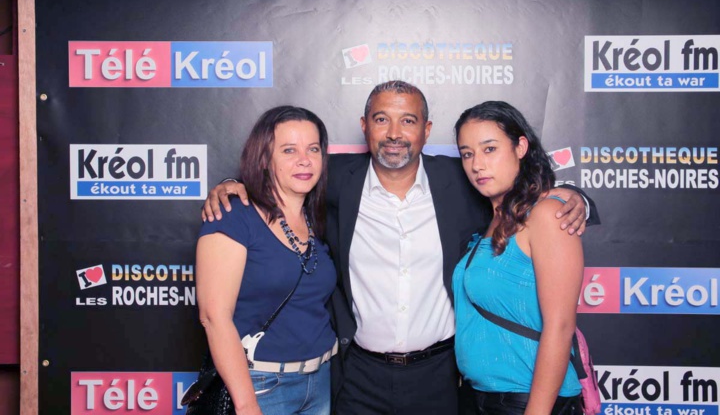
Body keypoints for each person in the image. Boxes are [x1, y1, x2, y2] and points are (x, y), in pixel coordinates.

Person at [202, 81, 599, 414]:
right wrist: (230, 186)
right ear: (364, 127)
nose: (394, 133)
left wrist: (574, 195)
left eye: (407, 120)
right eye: (381, 119)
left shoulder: (462, 181)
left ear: (426, 130)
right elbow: (280, 175)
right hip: (358, 375)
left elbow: (523, 191)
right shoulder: (332, 179)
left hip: (440, 376)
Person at [195, 106, 338, 415]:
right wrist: (247, 404)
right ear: (263, 159)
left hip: (321, 382)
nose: (304, 159)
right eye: (289, 150)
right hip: (261, 386)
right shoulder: (232, 215)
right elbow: (214, 316)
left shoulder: (317, 218)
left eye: (313, 149)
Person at [452, 101, 584, 414]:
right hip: (477, 398)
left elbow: (560, 325)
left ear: (520, 147)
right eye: (467, 154)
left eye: (490, 149)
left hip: (526, 401)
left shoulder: (547, 214)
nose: (477, 165)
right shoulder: (491, 220)